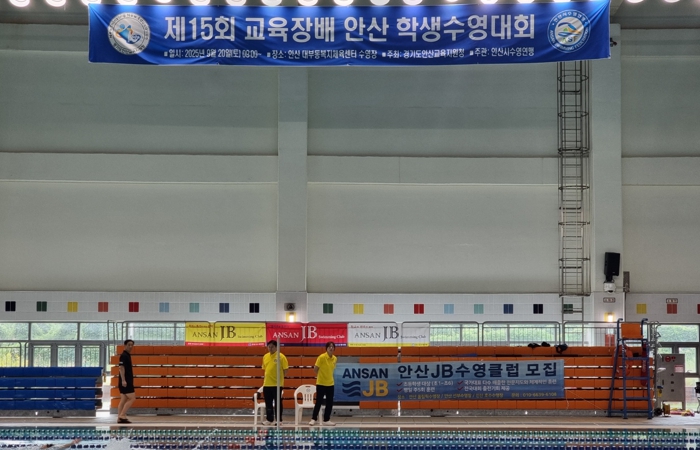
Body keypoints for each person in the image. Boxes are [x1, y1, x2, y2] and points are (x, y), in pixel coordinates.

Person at [309, 341, 337, 426]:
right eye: (329, 347)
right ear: (326, 348)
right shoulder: (321, 357)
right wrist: (322, 376)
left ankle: (326, 419)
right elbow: (315, 369)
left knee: (329, 402)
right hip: (321, 383)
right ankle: (313, 419)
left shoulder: (335, 358)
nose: (331, 348)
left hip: (330, 383)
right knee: (319, 401)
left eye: (332, 347)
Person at [261, 339, 288, 425]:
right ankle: (269, 419)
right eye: (269, 347)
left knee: (278, 403)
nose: (270, 348)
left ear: (276, 347)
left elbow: (285, 370)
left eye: (272, 347)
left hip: (277, 385)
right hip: (267, 384)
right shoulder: (265, 356)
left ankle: (279, 420)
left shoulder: (281, 357)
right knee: (268, 403)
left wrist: (279, 378)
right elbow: (265, 369)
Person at [117, 339, 136, 424]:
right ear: (125, 345)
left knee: (124, 399)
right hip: (126, 381)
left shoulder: (127, 355)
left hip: (124, 381)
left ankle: (119, 418)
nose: (130, 346)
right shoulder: (124, 355)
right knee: (132, 398)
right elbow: (121, 367)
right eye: (129, 345)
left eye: (132, 345)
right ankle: (122, 415)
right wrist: (124, 380)